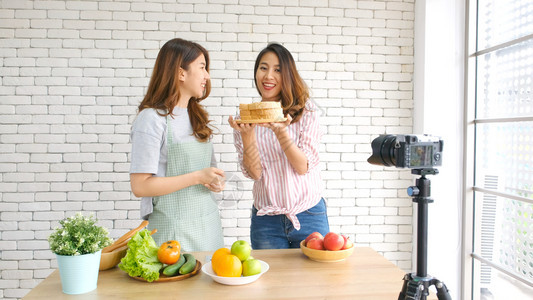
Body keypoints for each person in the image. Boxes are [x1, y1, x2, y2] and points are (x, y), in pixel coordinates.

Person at [228, 43, 330, 249]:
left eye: (277, 70)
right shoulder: (245, 118)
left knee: (316, 281)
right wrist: (247, 137)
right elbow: (254, 174)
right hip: (266, 221)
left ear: (288, 75)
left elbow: (303, 167)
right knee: (271, 281)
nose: (269, 76)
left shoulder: (306, 111)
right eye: (263, 68)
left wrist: (280, 131)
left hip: (309, 214)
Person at [130, 38, 225, 251]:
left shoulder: (197, 117)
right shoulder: (152, 119)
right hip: (172, 231)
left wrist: (215, 181)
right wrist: (198, 177)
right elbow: (140, 186)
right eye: (202, 68)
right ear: (181, 73)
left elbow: (208, 172)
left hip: (208, 227)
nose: (207, 76)